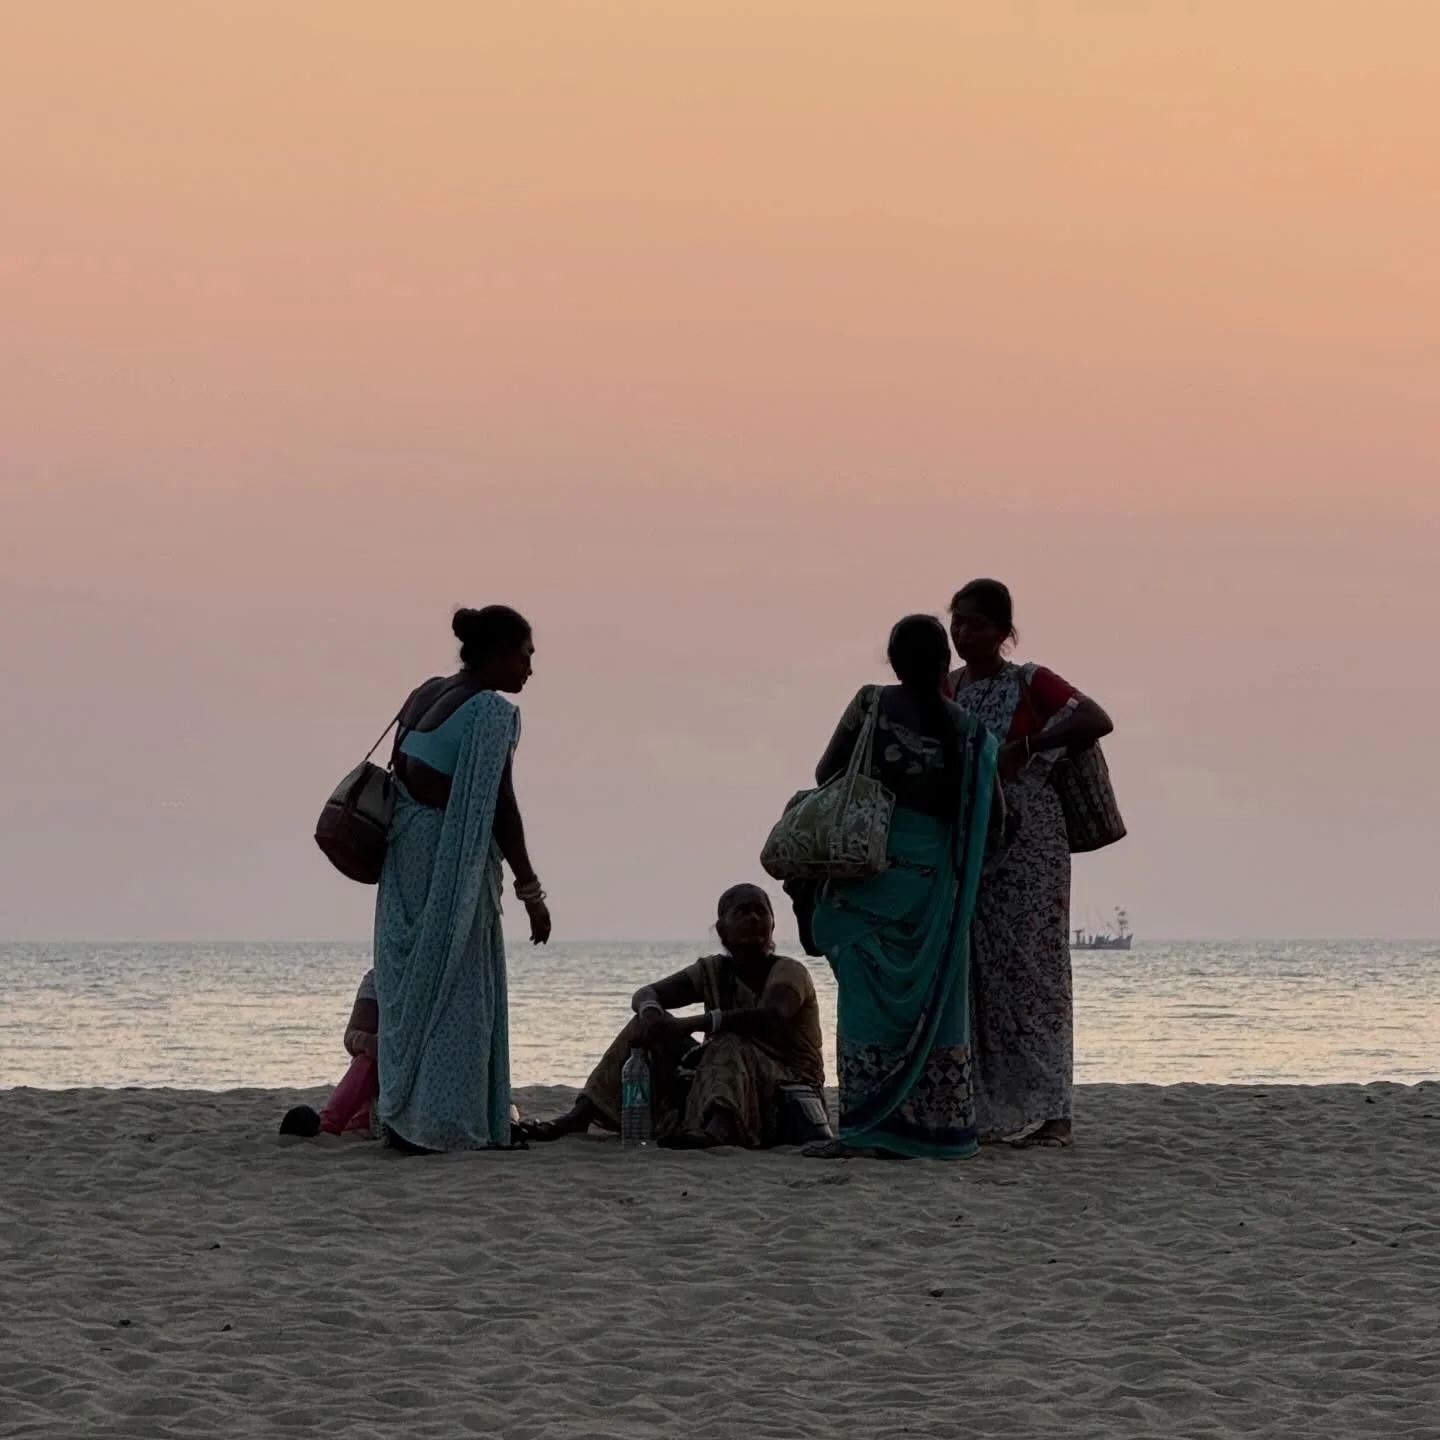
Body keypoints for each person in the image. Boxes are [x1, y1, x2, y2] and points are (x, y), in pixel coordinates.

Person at [806, 615, 999, 1160]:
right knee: (934, 1011)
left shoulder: (871, 707)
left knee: (867, 1007)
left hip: (872, 876)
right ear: (945, 663)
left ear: (892, 661)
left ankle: (868, 1131)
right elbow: (996, 818)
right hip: (936, 887)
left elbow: (827, 775)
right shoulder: (970, 732)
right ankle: (935, 1131)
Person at [373, 605, 551, 1154]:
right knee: (460, 991)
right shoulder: (490, 712)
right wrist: (530, 889)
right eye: (526, 656)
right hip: (448, 861)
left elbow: (411, 774)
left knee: (416, 988)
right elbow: (501, 803)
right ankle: (447, 1124)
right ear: (498, 654)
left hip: (406, 855)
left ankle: (406, 1117)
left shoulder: (425, 693)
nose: (530, 670)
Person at [947, 578, 1114, 1149]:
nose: (964, 632)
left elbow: (1095, 717)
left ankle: (1054, 1113)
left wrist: (1031, 745)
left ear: (1003, 631)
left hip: (1032, 841)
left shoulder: (1030, 681)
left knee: (1037, 972)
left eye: (976, 623)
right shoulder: (950, 688)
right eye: (958, 622)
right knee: (984, 975)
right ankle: (993, 1107)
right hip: (977, 843)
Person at [525, 885, 825, 1149]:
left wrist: (693, 1023)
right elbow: (646, 993)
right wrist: (652, 1015)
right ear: (721, 929)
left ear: (773, 924)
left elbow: (771, 1014)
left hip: (784, 1084)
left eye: (761, 911)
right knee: (641, 1030)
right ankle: (579, 1116)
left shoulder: (788, 971)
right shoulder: (714, 971)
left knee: (728, 1041)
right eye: (742, 911)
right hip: (727, 1075)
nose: (753, 919)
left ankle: (716, 1131)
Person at [278, 970, 380, 1139]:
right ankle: (330, 1123)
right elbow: (352, 1035)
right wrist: (370, 1042)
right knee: (369, 1057)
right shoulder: (376, 979)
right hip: (378, 1075)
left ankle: (333, 1121)